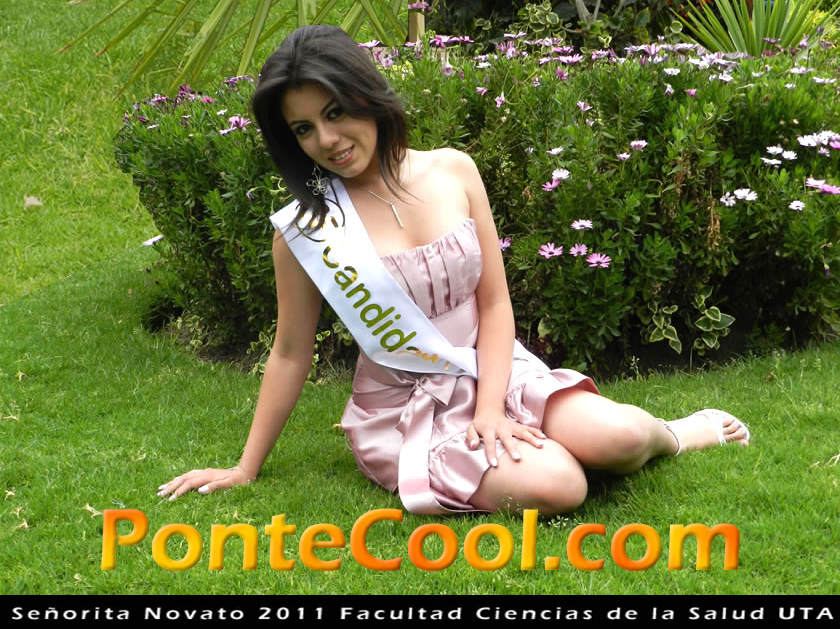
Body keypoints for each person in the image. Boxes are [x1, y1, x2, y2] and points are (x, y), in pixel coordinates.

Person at [157, 25, 750, 515]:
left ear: (367, 94)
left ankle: (675, 434)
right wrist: (245, 467)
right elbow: (290, 353)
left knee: (620, 437)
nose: (328, 140)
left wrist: (490, 407)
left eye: (335, 112)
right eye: (304, 129)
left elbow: (494, 303)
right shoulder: (306, 231)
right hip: (407, 403)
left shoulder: (453, 170)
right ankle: (549, 452)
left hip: (495, 366)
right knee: (560, 486)